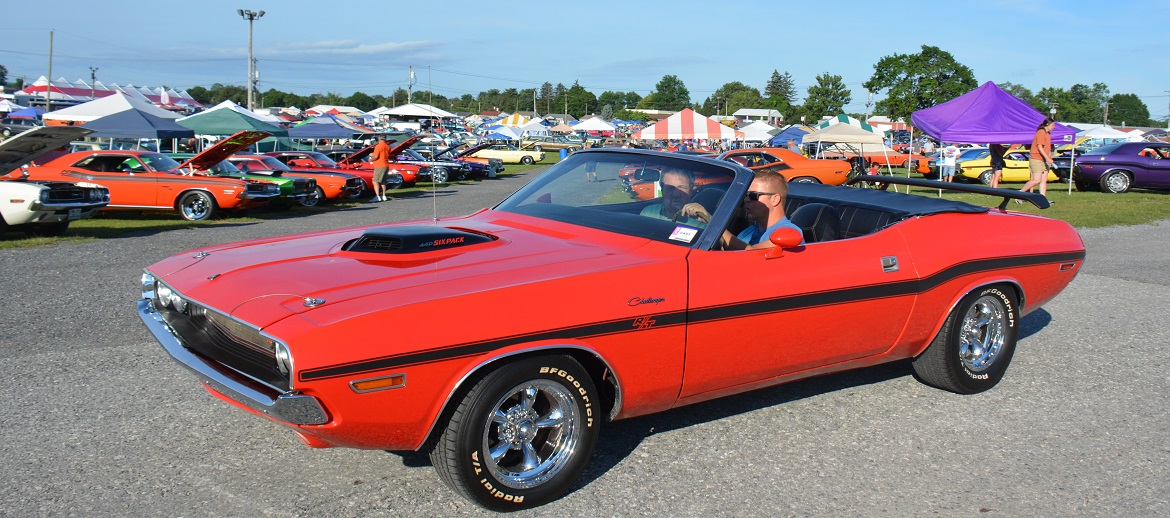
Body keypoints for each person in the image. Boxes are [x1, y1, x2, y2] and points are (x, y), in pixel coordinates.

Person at [714, 169, 804, 250]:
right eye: (746, 195)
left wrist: (714, 227)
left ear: (775, 199)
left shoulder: (789, 232)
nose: (746, 200)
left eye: (753, 196)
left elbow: (753, 255)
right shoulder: (747, 232)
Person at [639, 168, 705, 227]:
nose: (675, 194)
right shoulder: (648, 212)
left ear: (691, 191)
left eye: (682, 187)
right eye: (670, 188)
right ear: (662, 191)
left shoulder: (699, 221)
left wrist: (708, 219)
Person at [1020, 118, 1055, 197]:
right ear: (1047, 124)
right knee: (1036, 180)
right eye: (1052, 125)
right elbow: (1039, 147)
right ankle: (1020, 193)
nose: (1054, 127)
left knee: (1043, 180)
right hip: (1036, 158)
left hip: (1044, 159)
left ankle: (1043, 198)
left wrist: (1050, 157)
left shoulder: (1048, 133)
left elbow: (1047, 148)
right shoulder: (1041, 132)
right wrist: (1047, 158)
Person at [369, 135, 391, 202]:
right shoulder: (388, 146)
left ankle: (377, 196)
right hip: (386, 165)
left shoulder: (378, 146)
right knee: (383, 182)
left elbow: (375, 156)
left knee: (375, 181)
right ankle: (384, 196)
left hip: (379, 165)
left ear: (379, 139)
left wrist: (370, 160)